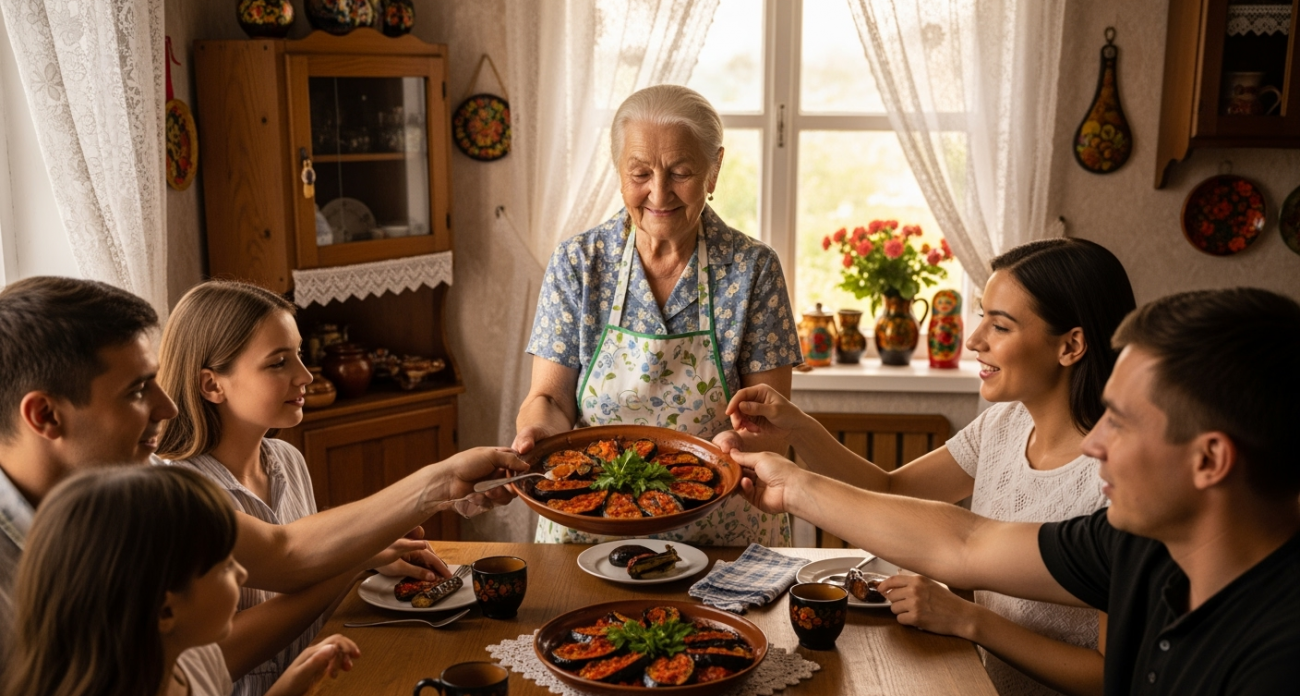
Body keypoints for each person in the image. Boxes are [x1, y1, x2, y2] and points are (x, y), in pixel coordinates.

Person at [734, 287, 1300, 695]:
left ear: (1210, 461)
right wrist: (793, 486)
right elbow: (965, 542)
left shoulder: (1276, 659)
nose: (1095, 442)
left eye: (1122, 422)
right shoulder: (1137, 545)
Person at [0, 276, 527, 661]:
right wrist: (358, 554)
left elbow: (284, 553)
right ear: (44, 415)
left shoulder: (128, 497)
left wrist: (440, 483)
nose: (167, 406)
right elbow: (208, 658)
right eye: (138, 390)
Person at [725, 239, 1135, 696]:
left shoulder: (1120, 482)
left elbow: (1109, 677)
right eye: (982, 317)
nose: (974, 341)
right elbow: (892, 490)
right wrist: (799, 428)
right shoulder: (1004, 423)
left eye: (1000, 326)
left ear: (1071, 345)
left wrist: (969, 620)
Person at [513, 84, 802, 546]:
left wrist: (741, 445)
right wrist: (535, 435)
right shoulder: (578, 263)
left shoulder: (753, 270)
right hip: (592, 529)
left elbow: (772, 425)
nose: (659, 192)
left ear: (714, 170)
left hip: (724, 535)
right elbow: (550, 398)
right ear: (619, 170)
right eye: (640, 172)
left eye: (681, 172)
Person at [158, 280, 406, 696]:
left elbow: (311, 594)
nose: (305, 376)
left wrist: (370, 562)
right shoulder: (176, 495)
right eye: (278, 363)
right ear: (212, 384)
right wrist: (354, 559)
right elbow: (213, 658)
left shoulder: (289, 461)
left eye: (299, 355)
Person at [1, 466, 360, 696]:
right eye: (224, 567)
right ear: (164, 610)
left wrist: (294, 682)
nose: (242, 573)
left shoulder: (194, 663)